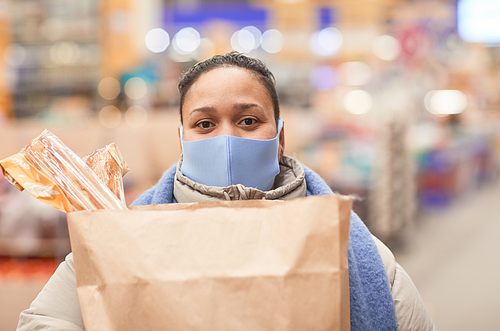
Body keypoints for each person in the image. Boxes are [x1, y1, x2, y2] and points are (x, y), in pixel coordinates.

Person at [17, 52, 436, 331]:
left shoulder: (360, 256)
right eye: (205, 124)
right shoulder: (116, 241)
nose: (228, 137)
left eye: (249, 120)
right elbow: (43, 322)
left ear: (281, 138)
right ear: (183, 140)